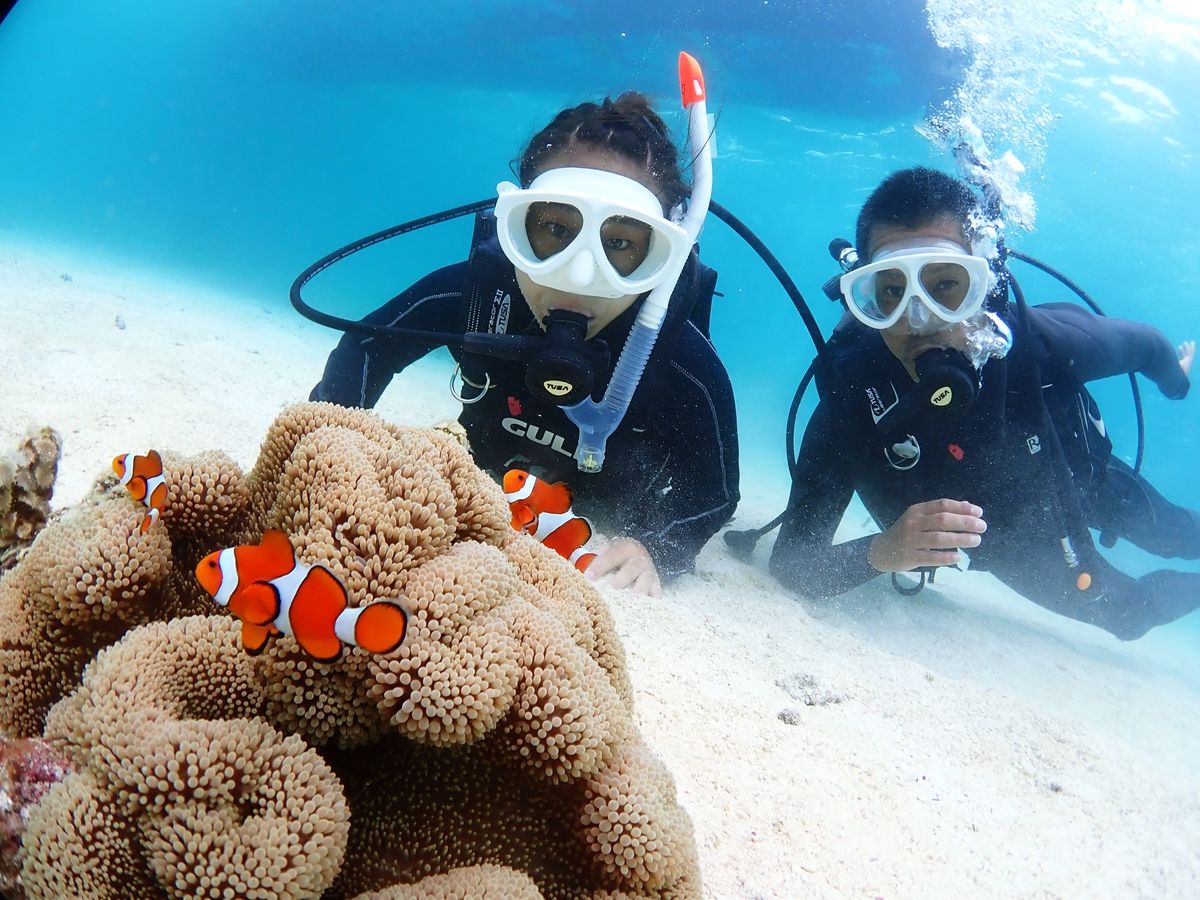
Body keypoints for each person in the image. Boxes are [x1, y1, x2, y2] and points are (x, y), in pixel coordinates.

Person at [311, 92, 739, 597]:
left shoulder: (677, 353)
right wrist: (332, 454)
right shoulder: (479, 295)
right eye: (555, 229)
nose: (580, 275)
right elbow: (366, 347)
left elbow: (716, 492)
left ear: (661, 254)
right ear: (515, 223)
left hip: (608, 507)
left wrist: (659, 547)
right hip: (488, 471)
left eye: (621, 243)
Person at [770, 165, 1199, 640]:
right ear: (866, 297)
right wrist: (882, 551)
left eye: (946, 286)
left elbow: (1149, 346)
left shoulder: (1036, 343)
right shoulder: (855, 392)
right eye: (892, 291)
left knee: (1184, 535)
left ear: (983, 282)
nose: (920, 320)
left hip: (1084, 480)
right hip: (1009, 542)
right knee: (1128, 616)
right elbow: (792, 564)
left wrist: (1176, 383)